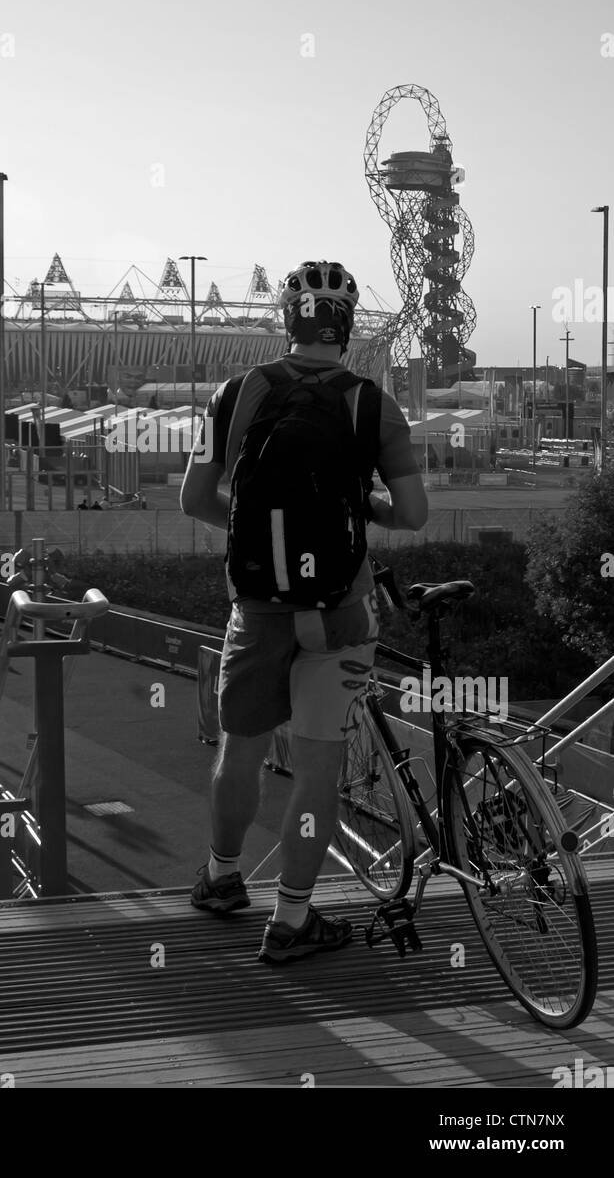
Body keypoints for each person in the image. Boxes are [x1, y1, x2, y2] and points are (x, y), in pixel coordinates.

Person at [180, 260, 427, 964]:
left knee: (242, 749)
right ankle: (290, 922)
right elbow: (412, 514)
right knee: (318, 771)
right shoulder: (373, 405)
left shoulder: (233, 395)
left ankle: (223, 879)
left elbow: (194, 502)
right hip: (342, 612)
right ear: (347, 329)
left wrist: (251, 530)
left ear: (285, 320)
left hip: (256, 609)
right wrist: (360, 507)